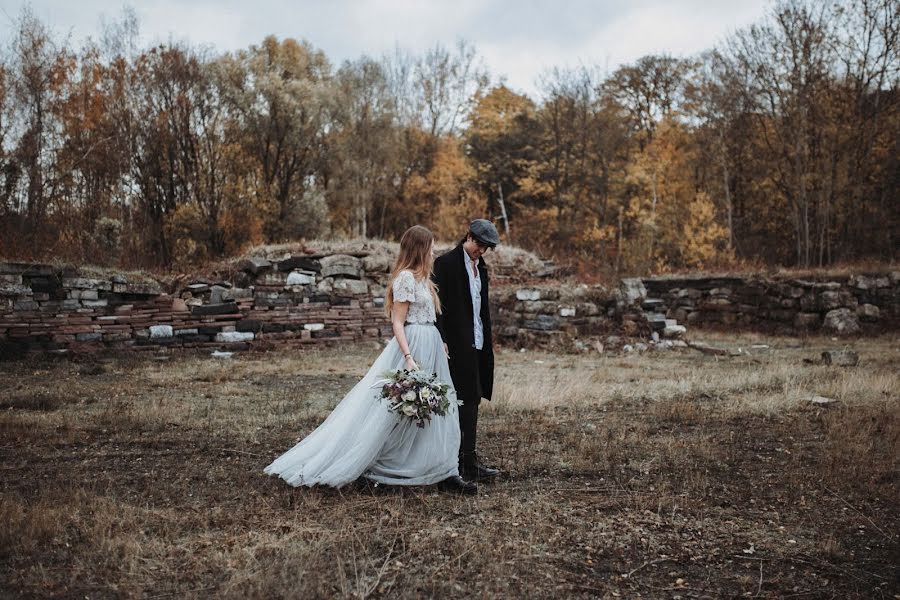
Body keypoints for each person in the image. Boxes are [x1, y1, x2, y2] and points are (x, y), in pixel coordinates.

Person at [264, 225, 476, 495]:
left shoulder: (424, 278)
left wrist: (441, 341)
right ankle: (377, 467)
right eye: (431, 246)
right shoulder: (406, 279)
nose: (434, 250)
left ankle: (445, 471)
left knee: (437, 408)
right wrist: (408, 357)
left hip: (432, 345)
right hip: (413, 346)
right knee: (397, 411)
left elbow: (431, 316)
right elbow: (398, 322)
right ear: (420, 248)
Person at [433, 219, 501, 481]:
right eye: (480, 245)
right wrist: (442, 336)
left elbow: (480, 308)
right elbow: (437, 305)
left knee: (472, 399)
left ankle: (468, 461)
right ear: (469, 236)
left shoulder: (480, 268)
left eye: (486, 248)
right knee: (462, 401)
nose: (481, 251)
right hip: (455, 344)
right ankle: (460, 463)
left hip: (478, 343)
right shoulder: (445, 264)